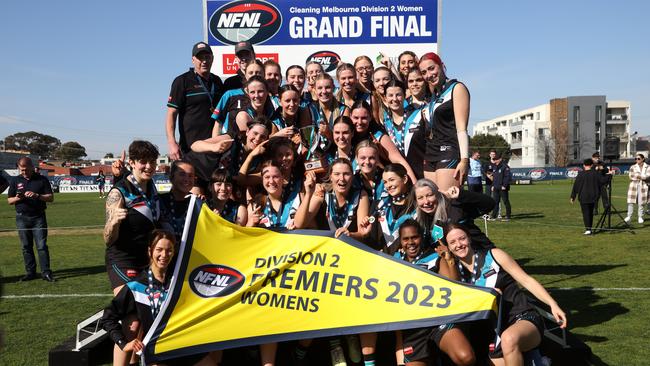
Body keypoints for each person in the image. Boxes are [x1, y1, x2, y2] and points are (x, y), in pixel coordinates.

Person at [444, 224, 567, 366]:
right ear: (448, 247)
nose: (459, 244)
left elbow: (526, 280)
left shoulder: (494, 255)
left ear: (469, 238)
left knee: (509, 339)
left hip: (523, 318)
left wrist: (553, 304)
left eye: (462, 238)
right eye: (452, 242)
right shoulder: (456, 274)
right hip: (495, 331)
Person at [101, 230, 216, 366]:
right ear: (150, 251)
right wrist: (123, 343)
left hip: (183, 345)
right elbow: (108, 317)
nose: (164, 255)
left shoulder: (179, 282)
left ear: (174, 253)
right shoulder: (136, 286)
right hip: (157, 352)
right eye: (159, 250)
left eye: (169, 250)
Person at [395, 220, 476, 366]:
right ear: (400, 241)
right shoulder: (393, 261)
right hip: (412, 328)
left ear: (422, 237)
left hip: (438, 321)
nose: (411, 242)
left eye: (415, 237)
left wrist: (449, 259)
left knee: (466, 357)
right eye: (405, 239)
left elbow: (453, 286)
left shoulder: (434, 257)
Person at [104, 140, 161, 294]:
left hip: (149, 259)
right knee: (130, 310)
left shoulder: (152, 186)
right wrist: (114, 223)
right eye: (143, 161)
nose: (149, 166)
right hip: (124, 260)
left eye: (152, 162)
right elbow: (108, 239)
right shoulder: (119, 193)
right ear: (132, 163)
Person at [419, 52, 470, 191]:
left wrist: (464, 160)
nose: (429, 74)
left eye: (432, 68)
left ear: (442, 66)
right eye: (424, 72)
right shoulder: (430, 97)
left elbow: (462, 128)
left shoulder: (456, 88)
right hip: (430, 154)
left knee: (447, 203)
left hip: (449, 151)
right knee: (431, 204)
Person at [7, 157, 55, 282]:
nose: (24, 172)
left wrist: (37, 195)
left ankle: (46, 272)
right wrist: (19, 198)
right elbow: (9, 200)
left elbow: (50, 197)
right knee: (26, 246)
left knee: (41, 246)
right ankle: (30, 272)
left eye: (26, 170)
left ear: (32, 167)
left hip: (38, 217)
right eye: (21, 170)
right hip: (21, 217)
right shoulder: (15, 180)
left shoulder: (42, 179)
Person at [413, 179, 495, 249]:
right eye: (420, 198)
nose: (426, 202)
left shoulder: (454, 208)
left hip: (482, 255)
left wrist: (461, 194)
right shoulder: (418, 221)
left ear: (438, 194)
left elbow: (489, 204)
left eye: (429, 195)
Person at [571, 159, 611, 234]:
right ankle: (589, 228)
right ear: (592, 165)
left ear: (584, 165)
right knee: (590, 212)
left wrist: (573, 196)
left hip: (583, 196)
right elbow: (603, 181)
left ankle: (588, 229)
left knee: (586, 213)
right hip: (593, 196)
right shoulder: (596, 173)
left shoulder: (580, 174)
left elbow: (575, 186)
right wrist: (609, 175)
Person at [159, 160, 196, 241]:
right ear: (171, 177)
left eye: (190, 175)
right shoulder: (159, 201)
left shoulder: (197, 204)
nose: (186, 179)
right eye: (182, 174)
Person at [624, 153, 650, 224]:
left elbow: (647, 176)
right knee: (630, 202)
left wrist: (639, 176)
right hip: (633, 185)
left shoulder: (648, 167)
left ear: (643, 159)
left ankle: (640, 217)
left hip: (644, 186)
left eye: (638, 159)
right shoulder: (633, 167)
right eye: (636, 159)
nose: (637, 160)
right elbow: (631, 176)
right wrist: (642, 177)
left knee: (641, 202)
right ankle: (629, 216)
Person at [490, 153, 512, 221]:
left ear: (500, 159)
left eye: (496, 159)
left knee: (505, 201)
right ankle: (493, 216)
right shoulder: (494, 167)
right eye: (494, 159)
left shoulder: (505, 166)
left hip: (502, 187)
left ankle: (508, 216)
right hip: (496, 187)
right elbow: (494, 177)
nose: (495, 161)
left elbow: (507, 177)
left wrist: (504, 185)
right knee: (495, 202)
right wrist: (493, 185)